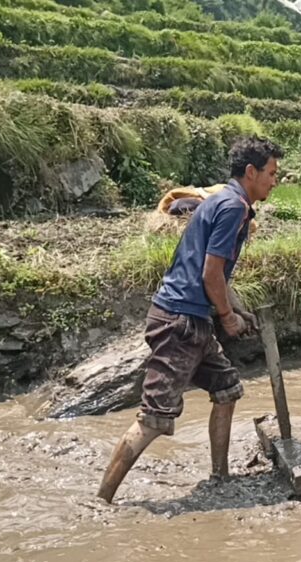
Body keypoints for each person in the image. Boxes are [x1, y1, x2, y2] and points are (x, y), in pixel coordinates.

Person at [97, 137, 284, 504]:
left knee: (227, 389)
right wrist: (227, 318)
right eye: (272, 173)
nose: (275, 181)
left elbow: (217, 275)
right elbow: (210, 274)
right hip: (179, 323)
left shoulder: (222, 201)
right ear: (251, 172)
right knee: (154, 419)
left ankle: (220, 478)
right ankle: (101, 500)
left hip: (191, 320)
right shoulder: (233, 208)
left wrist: (239, 309)